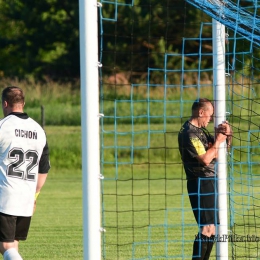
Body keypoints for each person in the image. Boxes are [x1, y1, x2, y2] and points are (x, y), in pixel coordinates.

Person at [0, 86, 50, 260]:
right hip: (26, 198)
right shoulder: (39, 130)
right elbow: (43, 170)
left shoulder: (2, 127)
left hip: (4, 197)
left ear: (5, 104)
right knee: (12, 244)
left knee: (5, 246)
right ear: (23, 103)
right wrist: (34, 197)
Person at [178, 98, 232, 260]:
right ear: (201, 112)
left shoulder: (201, 130)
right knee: (207, 229)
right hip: (200, 182)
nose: (210, 119)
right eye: (209, 115)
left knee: (213, 229)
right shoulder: (190, 132)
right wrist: (218, 141)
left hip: (210, 181)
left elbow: (217, 152)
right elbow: (206, 159)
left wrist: (227, 136)